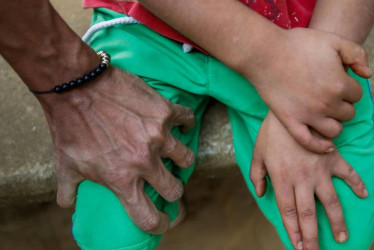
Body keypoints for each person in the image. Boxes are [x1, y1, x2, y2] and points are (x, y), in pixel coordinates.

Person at [1, 0, 373, 249]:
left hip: (299, 27)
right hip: (150, 26)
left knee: (341, 230)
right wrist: (270, 60)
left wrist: (307, 83)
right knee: (110, 230)